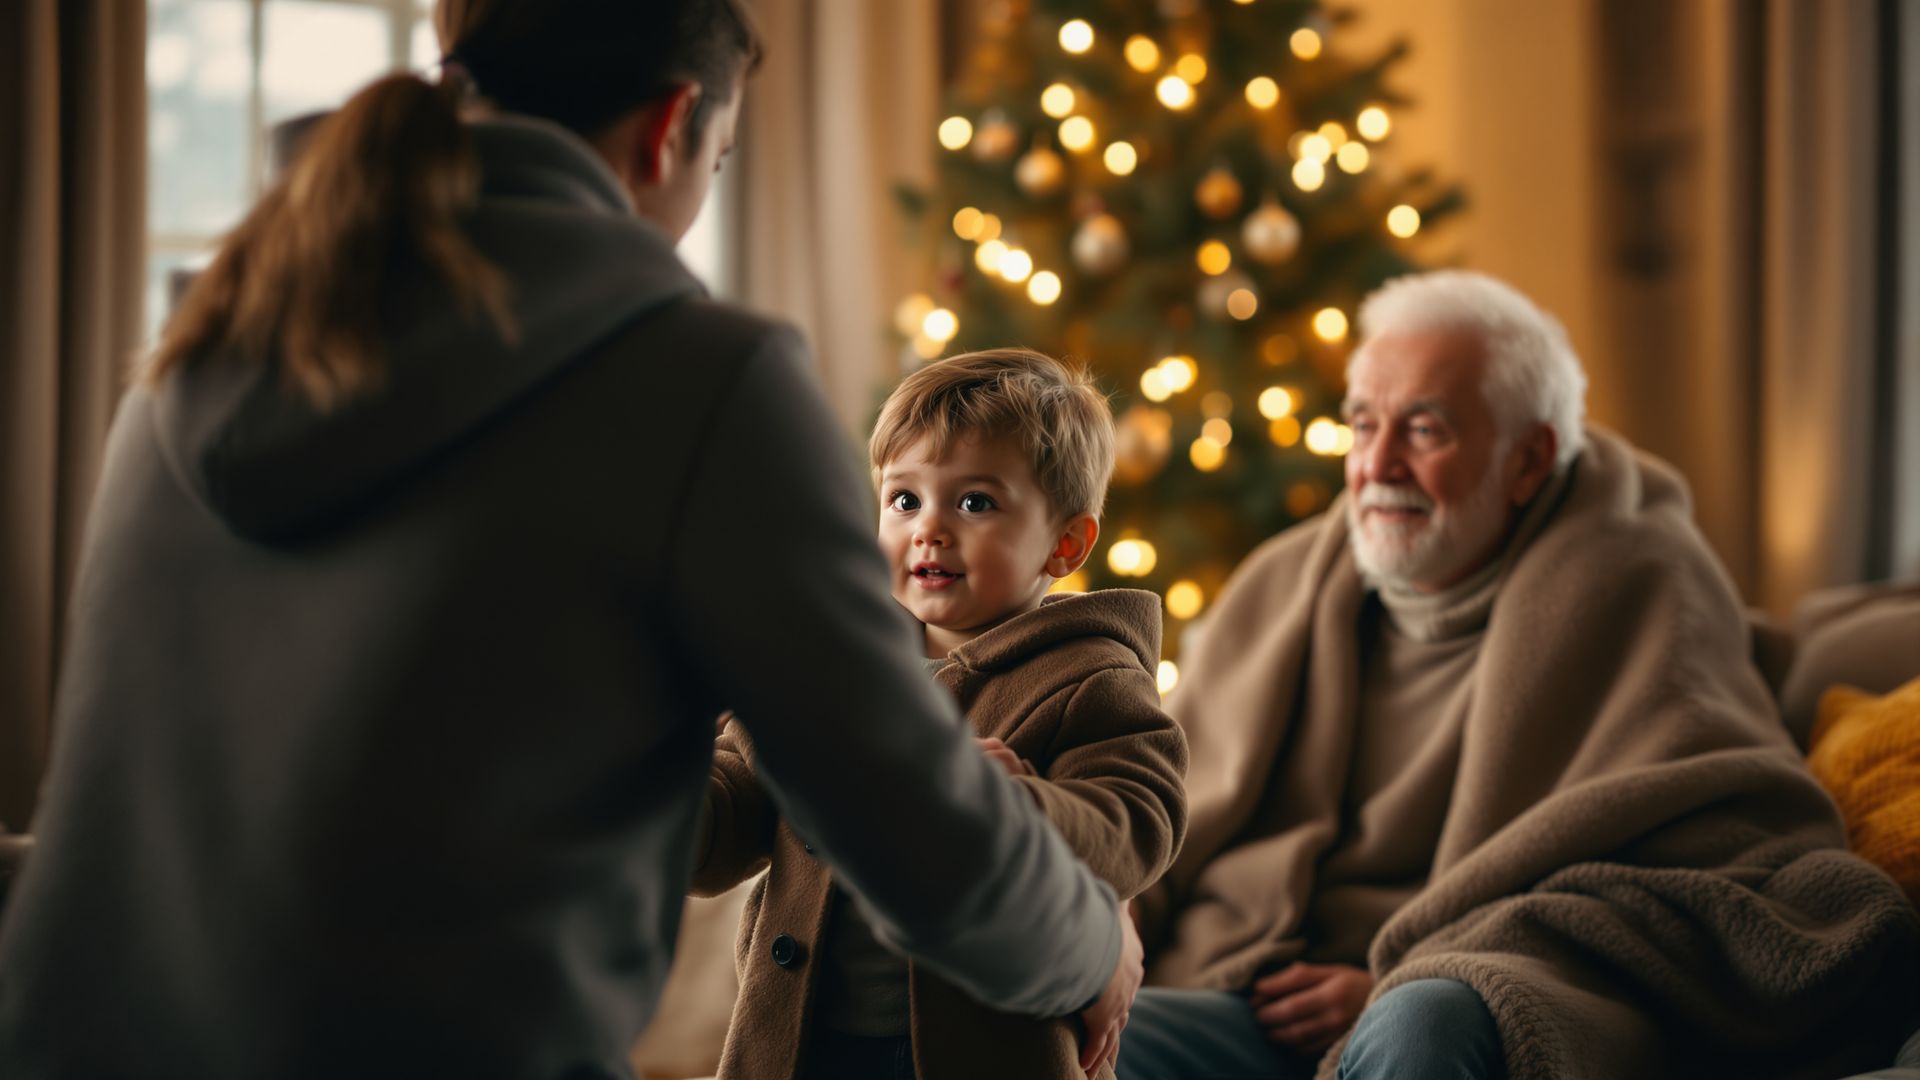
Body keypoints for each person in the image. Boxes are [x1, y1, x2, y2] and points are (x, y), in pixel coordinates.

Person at [0, 3, 1142, 1077]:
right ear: (668, 130)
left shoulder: (205, 346)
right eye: (721, 158)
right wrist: (1095, 949)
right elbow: (908, 825)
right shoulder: (702, 381)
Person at [1118, 270, 1920, 1080]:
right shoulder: (1284, 583)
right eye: (1364, 426)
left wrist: (1400, 975)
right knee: (1055, 1031)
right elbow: (1157, 818)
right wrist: (1101, 923)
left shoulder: (1637, 577)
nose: (1379, 465)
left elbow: (1696, 859)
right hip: (1249, 991)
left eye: (1424, 430)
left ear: (1529, 459)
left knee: (1423, 1021)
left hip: (1471, 982)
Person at [693, 349, 1190, 1080]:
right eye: (905, 500)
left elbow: (1136, 822)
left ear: (1066, 543)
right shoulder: (827, 669)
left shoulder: (1091, 675)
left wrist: (1012, 806)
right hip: (802, 1042)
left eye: (975, 502)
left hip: (977, 1054)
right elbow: (737, 796)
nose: (929, 529)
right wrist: (668, 799)